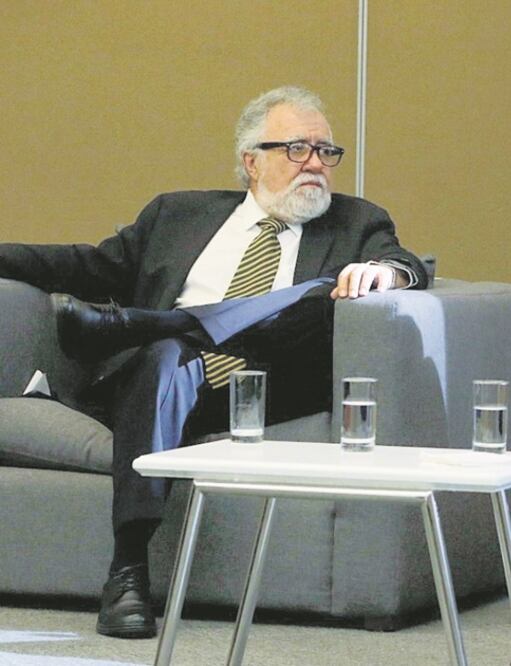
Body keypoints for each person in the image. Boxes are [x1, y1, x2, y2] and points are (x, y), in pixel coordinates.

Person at [0, 85, 429, 639]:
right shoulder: (178, 214)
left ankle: (142, 324)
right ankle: (129, 571)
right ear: (251, 161)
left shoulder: (356, 222)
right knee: (166, 354)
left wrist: (390, 274)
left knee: (317, 295)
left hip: (269, 385)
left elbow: (406, 260)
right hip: (167, 381)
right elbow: (86, 266)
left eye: (327, 152)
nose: (316, 165)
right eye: (297, 149)